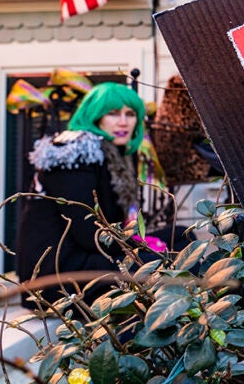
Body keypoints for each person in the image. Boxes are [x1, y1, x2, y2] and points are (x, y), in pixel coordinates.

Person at [16, 82, 181, 309]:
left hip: (89, 257)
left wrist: (140, 244)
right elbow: (90, 234)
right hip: (57, 275)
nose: (123, 121)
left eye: (130, 114)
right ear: (94, 117)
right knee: (162, 264)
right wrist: (139, 248)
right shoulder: (74, 154)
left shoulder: (113, 153)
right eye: (112, 113)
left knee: (181, 237)